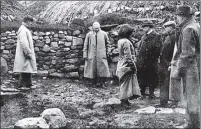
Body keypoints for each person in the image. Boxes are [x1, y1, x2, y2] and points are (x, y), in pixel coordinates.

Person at [172, 5, 200, 128]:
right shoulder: (196, 25)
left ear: (182, 17)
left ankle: (192, 124)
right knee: (194, 95)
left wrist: (179, 70)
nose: (177, 19)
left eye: (177, 16)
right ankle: (192, 122)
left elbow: (187, 54)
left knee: (191, 96)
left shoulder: (188, 29)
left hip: (190, 67)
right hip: (196, 65)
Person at [116, 24, 141, 107]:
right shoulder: (126, 42)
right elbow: (128, 57)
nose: (132, 34)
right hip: (126, 65)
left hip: (121, 63)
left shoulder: (120, 41)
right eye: (131, 33)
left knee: (124, 83)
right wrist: (133, 66)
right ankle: (123, 101)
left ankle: (125, 100)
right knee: (126, 83)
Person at [136, 21, 162, 99]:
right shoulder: (143, 36)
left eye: (144, 27)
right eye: (143, 27)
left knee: (152, 77)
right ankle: (142, 92)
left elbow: (158, 49)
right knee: (142, 77)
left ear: (149, 27)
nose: (143, 29)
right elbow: (140, 47)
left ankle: (151, 94)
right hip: (142, 60)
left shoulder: (157, 36)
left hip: (151, 61)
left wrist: (152, 58)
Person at [83, 22, 110, 87]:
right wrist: (85, 54)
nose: (96, 29)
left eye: (97, 28)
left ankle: (102, 83)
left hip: (101, 54)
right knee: (92, 69)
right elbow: (85, 45)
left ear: (99, 27)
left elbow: (108, 44)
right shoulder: (89, 35)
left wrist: (108, 51)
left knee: (102, 69)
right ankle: (93, 83)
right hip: (91, 54)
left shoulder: (104, 34)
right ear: (93, 28)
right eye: (95, 28)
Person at [13, 16, 37, 90]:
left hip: (25, 53)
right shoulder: (23, 30)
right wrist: (28, 53)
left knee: (28, 68)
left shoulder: (24, 29)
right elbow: (24, 43)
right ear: (28, 22)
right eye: (31, 22)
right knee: (25, 69)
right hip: (24, 53)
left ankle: (28, 84)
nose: (32, 24)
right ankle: (21, 85)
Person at [158, 21, 176, 107]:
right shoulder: (168, 36)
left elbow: (174, 51)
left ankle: (164, 102)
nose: (165, 29)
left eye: (167, 27)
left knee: (166, 83)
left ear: (172, 27)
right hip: (164, 62)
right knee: (164, 82)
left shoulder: (174, 37)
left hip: (168, 63)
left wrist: (169, 63)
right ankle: (163, 101)